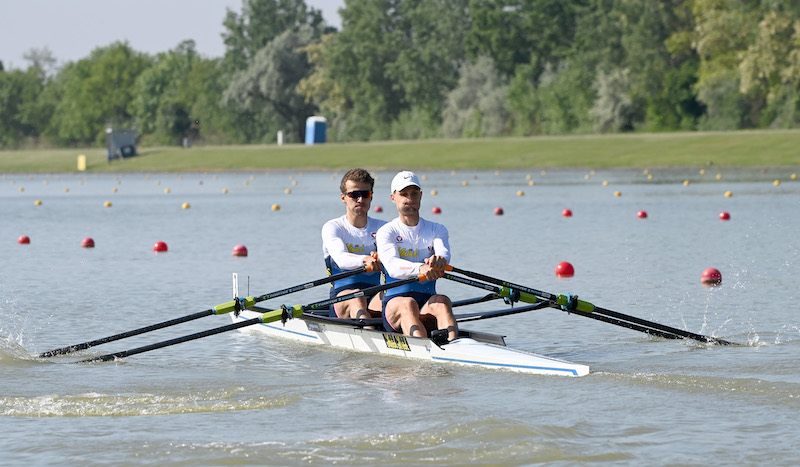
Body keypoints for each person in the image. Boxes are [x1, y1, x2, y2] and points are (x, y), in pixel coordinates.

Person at [376, 170, 458, 342]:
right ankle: (424, 355)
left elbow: (443, 253)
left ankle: (454, 348)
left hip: (426, 303)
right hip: (395, 304)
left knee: (443, 301)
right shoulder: (386, 232)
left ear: (421, 196)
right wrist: (420, 267)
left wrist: (440, 261)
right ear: (393, 198)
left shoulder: (437, 229)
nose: (409, 199)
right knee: (408, 304)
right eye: (404, 194)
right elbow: (392, 266)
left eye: (414, 194)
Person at [321, 168, 386, 319]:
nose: (360, 199)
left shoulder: (384, 228)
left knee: (402, 298)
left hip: (375, 298)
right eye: (354, 195)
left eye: (365, 194)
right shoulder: (333, 227)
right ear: (343, 197)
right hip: (341, 299)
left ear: (371, 196)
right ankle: (372, 334)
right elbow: (341, 259)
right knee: (357, 297)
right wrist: (365, 259)